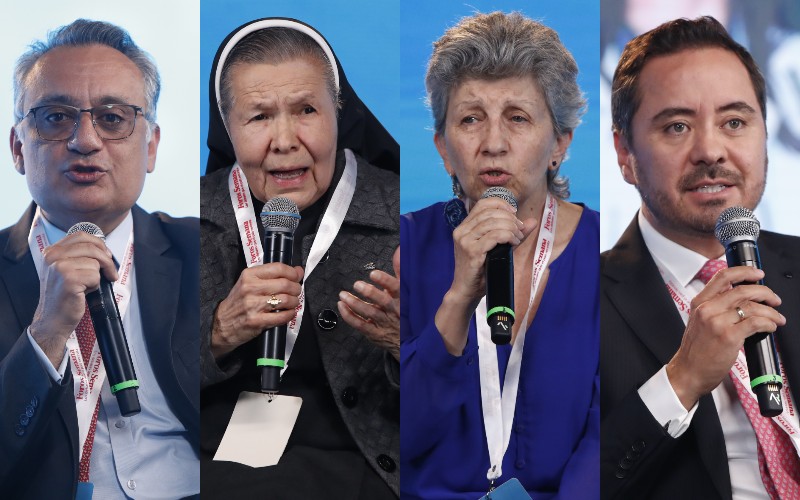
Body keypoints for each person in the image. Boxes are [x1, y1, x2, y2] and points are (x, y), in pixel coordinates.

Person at [401, 11, 599, 499]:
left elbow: (608, 439)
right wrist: (456, 301)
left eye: (517, 117)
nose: (493, 144)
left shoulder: (608, 252)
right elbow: (394, 436)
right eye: (470, 119)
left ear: (560, 143)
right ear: (443, 149)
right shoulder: (399, 247)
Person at [199, 18, 400, 499]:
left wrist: (409, 345)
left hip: (369, 468)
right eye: (259, 116)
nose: (285, 139)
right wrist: (217, 333)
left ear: (339, 113)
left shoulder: (406, 216)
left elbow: (466, 394)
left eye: (306, 109)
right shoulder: (187, 223)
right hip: (217, 465)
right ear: (228, 127)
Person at [601, 16, 800, 499]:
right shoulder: (570, 296)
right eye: (677, 126)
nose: (711, 150)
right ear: (625, 153)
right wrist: (682, 378)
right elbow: (555, 482)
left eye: (734, 122)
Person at [0, 19, 199, 499]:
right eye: (55, 117)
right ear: (18, 149)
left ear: (150, 147)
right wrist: (45, 333)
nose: (85, 140)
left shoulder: (204, 247)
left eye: (112, 118)